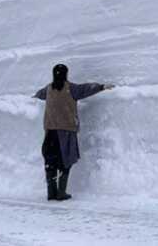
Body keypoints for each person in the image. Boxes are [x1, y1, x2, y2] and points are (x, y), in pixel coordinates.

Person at [32, 63, 114, 201]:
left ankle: (51, 193)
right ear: (66, 74)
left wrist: (34, 96)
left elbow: (39, 94)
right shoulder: (70, 88)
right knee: (65, 160)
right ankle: (61, 193)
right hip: (66, 131)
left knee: (50, 162)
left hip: (50, 132)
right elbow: (86, 89)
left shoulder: (49, 89)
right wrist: (102, 86)